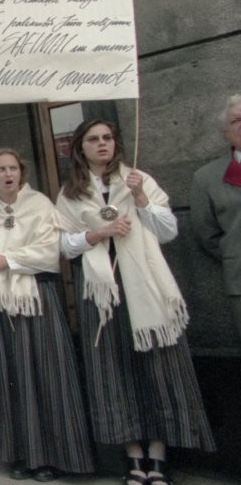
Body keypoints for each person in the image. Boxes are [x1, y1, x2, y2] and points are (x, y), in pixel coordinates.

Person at [56, 120, 215, 485]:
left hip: (143, 286)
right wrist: (99, 232)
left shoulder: (137, 180)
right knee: (113, 370)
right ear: (80, 148)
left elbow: (168, 231)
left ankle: (158, 455)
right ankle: (132, 455)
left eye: (107, 138)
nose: (102, 144)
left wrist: (141, 197)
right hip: (103, 293)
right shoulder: (70, 193)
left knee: (157, 366)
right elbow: (64, 246)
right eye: (93, 139)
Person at [0, 148, 93, 481]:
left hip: (36, 299)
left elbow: (50, 250)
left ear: (21, 172)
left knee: (46, 374)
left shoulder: (40, 204)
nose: (8, 174)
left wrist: (6, 259)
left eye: (13, 168)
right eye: (1, 170)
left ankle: (53, 456)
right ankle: (21, 454)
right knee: (14, 377)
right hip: (2, 306)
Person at [190, 93, 241, 340]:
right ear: (226, 131)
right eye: (236, 120)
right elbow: (207, 234)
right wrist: (234, 253)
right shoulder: (206, 178)